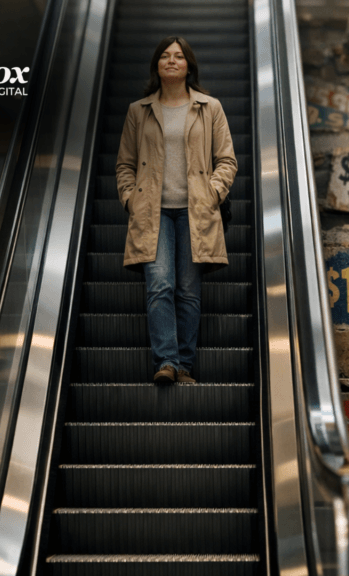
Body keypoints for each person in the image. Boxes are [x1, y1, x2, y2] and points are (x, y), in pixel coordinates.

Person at [116, 36, 237, 384]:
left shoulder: (209, 107)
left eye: (178, 56)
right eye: (165, 56)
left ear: (189, 66)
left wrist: (211, 194)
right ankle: (166, 362)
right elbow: (124, 164)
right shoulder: (138, 111)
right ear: (157, 65)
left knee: (187, 290)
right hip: (152, 211)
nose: (171, 61)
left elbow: (226, 160)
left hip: (195, 211)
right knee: (159, 284)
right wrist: (130, 199)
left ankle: (184, 365)